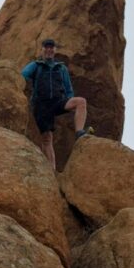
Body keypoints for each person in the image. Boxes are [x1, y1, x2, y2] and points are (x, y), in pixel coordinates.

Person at [21, 38, 89, 170]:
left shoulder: (61, 68)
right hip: (42, 105)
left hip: (58, 101)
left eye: (51, 47)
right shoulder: (36, 65)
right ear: (42, 50)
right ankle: (51, 170)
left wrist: (68, 102)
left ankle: (79, 133)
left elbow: (68, 88)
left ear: (55, 50)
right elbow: (23, 75)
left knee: (80, 102)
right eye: (46, 47)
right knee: (47, 138)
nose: (49, 50)